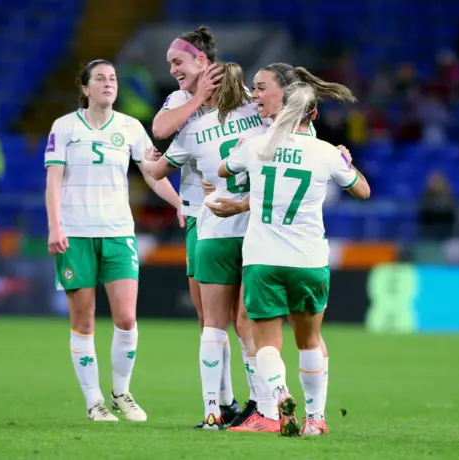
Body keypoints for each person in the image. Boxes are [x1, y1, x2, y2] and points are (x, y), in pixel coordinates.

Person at [204, 62, 357, 431]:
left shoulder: (258, 143)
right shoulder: (321, 148)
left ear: (284, 97)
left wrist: (237, 187)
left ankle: (275, 400)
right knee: (309, 339)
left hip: (263, 256)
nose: (255, 96)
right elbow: (359, 190)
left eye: (261, 88)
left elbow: (227, 170)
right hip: (308, 258)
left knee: (262, 337)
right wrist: (346, 160)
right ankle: (314, 417)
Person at [44, 59, 182, 422]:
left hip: (119, 232)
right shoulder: (64, 127)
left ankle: (121, 392)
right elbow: (54, 180)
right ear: (85, 89)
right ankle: (94, 403)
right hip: (75, 233)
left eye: (113, 78)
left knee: (126, 317)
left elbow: (152, 174)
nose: (108, 83)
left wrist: (180, 203)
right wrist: (55, 226)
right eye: (100, 79)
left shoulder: (131, 127)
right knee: (84, 322)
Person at [141, 62, 266, 430]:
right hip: (253, 233)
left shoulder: (194, 130)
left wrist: (150, 162)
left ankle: (213, 411)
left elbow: (158, 172)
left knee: (212, 325)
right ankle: (261, 403)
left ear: (208, 91)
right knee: (248, 323)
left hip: (213, 231)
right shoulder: (260, 120)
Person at [150, 26, 244, 427]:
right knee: (209, 318)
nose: (171, 69)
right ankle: (226, 403)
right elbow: (160, 130)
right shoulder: (180, 99)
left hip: (241, 215)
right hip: (197, 214)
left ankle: (260, 402)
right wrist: (197, 100)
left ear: (201, 61)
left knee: (242, 319)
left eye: (177, 62)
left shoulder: (239, 94)